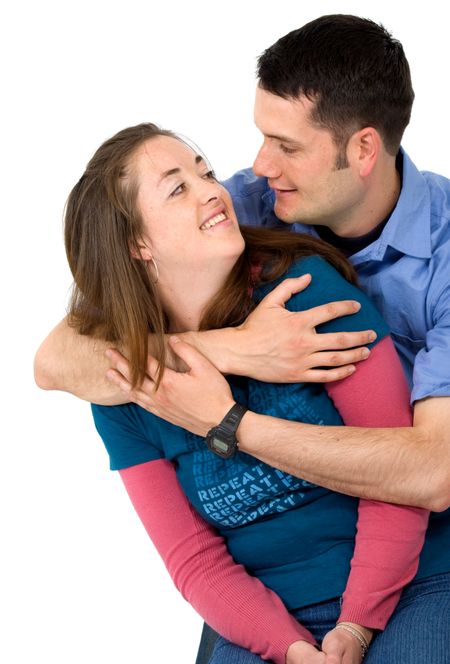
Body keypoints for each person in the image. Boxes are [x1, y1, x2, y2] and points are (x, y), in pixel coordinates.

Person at [34, 14, 450, 662]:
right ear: (139, 245)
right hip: (264, 603)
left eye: (285, 145)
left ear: (363, 150)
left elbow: (429, 472)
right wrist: (231, 352)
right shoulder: (251, 205)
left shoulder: (307, 279)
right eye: (184, 184)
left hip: (405, 566)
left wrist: (224, 420)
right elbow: (52, 362)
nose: (240, 175)